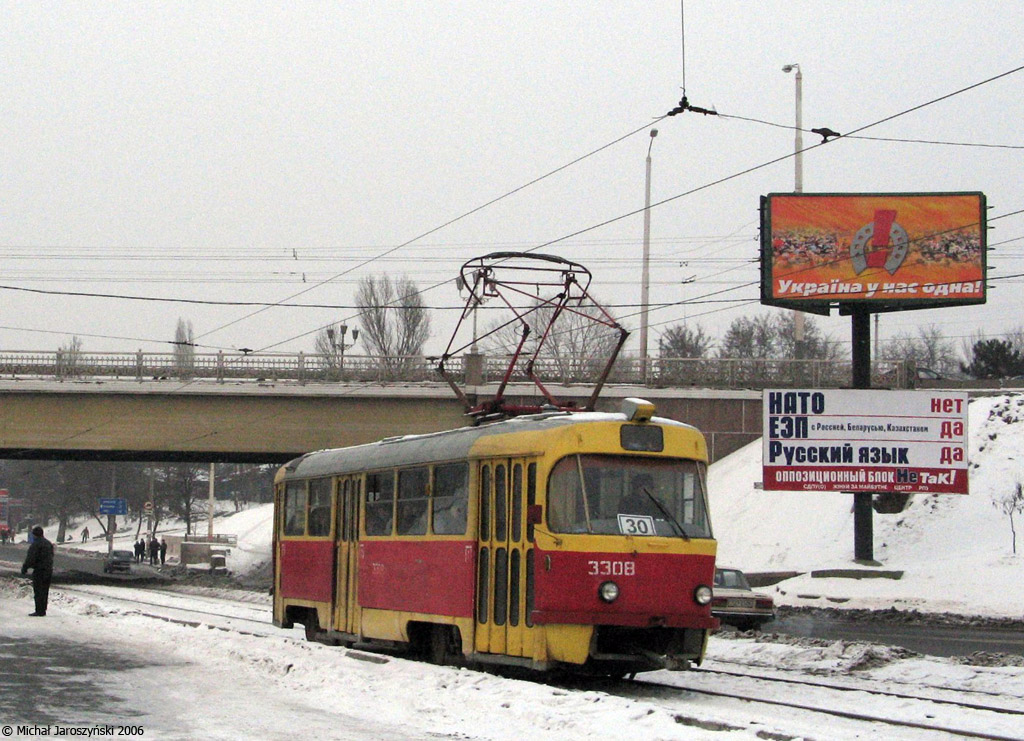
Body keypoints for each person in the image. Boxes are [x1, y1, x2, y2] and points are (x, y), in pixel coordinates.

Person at [21, 525, 54, 617]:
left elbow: (31, 558)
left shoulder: (36, 544)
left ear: (35, 535)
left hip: (39, 570)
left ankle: (39, 610)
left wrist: (25, 567)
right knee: (45, 590)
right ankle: (43, 610)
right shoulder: (48, 543)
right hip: (48, 570)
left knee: (38, 590)